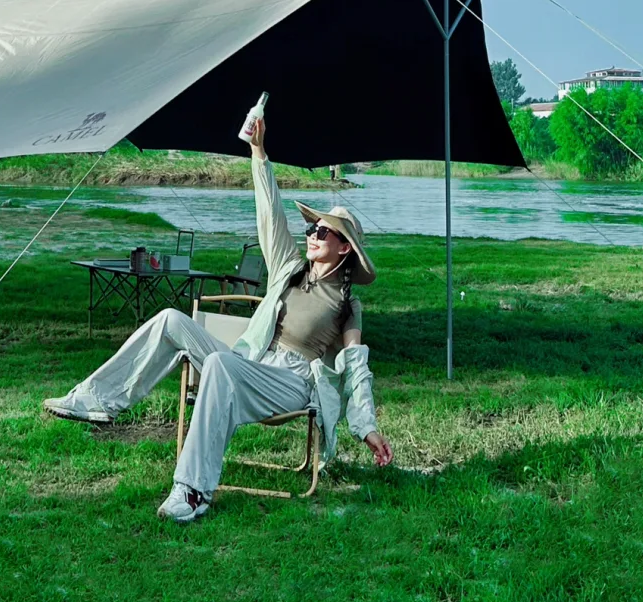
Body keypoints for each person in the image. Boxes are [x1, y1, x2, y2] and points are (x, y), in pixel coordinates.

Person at [44, 115, 393, 522]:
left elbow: (356, 369)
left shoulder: (348, 304)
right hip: (253, 362)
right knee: (171, 319)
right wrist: (258, 152)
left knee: (220, 364)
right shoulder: (289, 268)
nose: (312, 233)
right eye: (313, 227)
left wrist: (366, 426)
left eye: (323, 231)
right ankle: (99, 400)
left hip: (293, 383)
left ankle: (192, 491)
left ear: (344, 248)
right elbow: (270, 214)